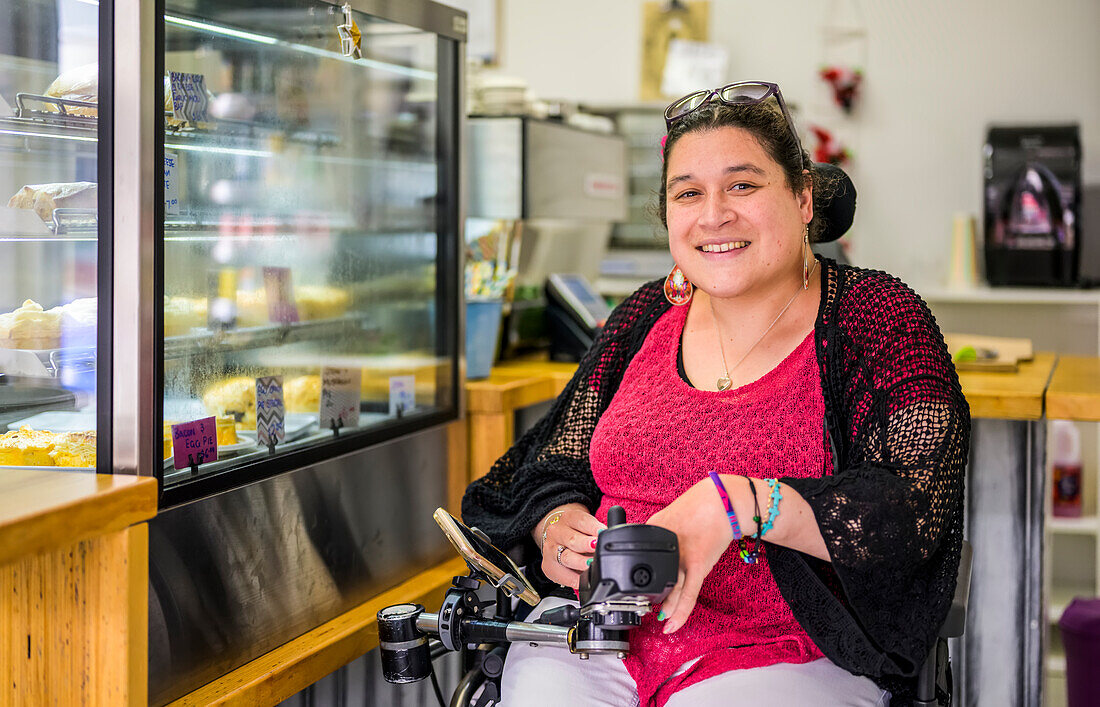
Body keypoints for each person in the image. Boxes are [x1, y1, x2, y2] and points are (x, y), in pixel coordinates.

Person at [462, 81, 969, 707]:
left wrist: (740, 503)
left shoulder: (876, 316)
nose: (713, 215)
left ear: (804, 196)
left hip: (787, 648)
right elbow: (548, 464)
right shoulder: (646, 316)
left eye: (743, 185)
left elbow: (914, 509)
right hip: (606, 636)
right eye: (688, 193)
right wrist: (555, 527)